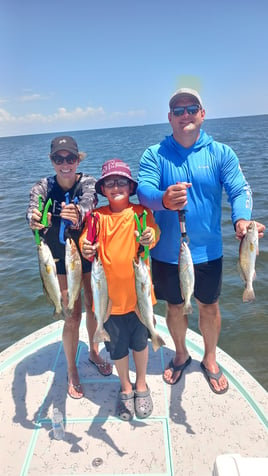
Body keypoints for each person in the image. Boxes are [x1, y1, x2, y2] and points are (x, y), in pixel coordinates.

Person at [137, 88, 265, 394]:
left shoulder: (221, 153)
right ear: (169, 118)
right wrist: (163, 199)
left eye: (191, 108)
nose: (185, 115)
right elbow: (143, 191)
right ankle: (181, 353)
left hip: (209, 251)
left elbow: (239, 189)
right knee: (174, 307)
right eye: (178, 111)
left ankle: (210, 357)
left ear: (202, 114)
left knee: (209, 306)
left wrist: (241, 219)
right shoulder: (154, 155)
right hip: (167, 253)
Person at [26, 136, 112, 399]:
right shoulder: (42, 186)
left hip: (86, 253)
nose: (65, 164)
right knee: (71, 314)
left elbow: (90, 201)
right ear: (52, 161)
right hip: (59, 262)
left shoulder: (86, 182)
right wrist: (33, 217)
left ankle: (94, 351)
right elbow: (32, 207)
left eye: (70, 158)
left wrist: (78, 211)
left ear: (78, 160)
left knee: (93, 306)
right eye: (58, 159)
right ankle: (72, 368)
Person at [79, 159, 160, 420]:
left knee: (140, 344)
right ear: (103, 189)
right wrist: (86, 248)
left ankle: (142, 384)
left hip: (139, 300)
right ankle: (125, 385)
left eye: (121, 182)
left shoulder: (141, 213)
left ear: (130, 186)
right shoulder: (96, 217)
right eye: (110, 183)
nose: (116, 187)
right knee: (118, 349)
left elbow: (153, 233)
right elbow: (85, 241)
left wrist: (149, 235)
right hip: (108, 302)